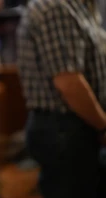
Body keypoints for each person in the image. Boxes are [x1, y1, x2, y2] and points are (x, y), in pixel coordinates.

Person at [17, 0, 106, 197]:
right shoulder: (54, 6)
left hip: (78, 124)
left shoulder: (81, 5)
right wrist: (103, 126)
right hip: (64, 128)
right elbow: (69, 83)